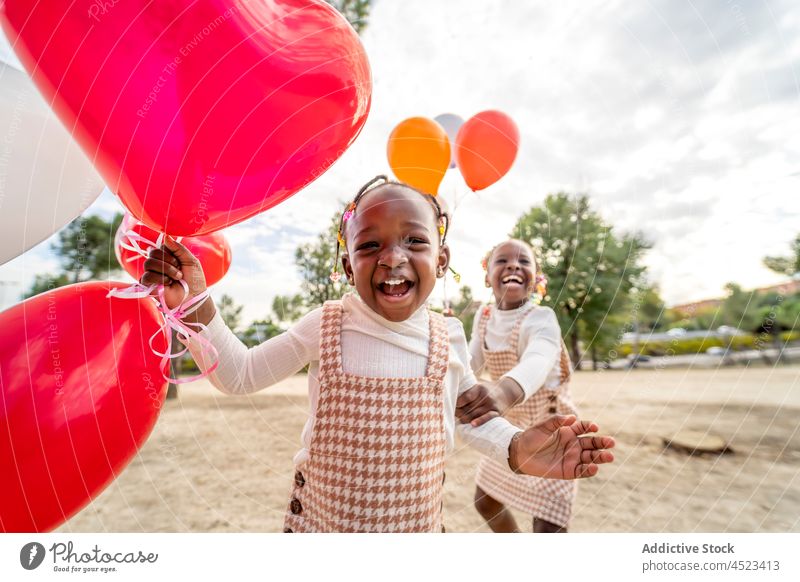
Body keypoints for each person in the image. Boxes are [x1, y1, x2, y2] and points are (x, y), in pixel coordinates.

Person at [141, 176, 614, 533]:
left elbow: (470, 415)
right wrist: (195, 303)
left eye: (415, 240)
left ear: (442, 261)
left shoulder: (446, 334)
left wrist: (514, 446)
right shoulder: (324, 324)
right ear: (349, 266)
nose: (392, 258)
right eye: (371, 245)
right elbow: (240, 374)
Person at [466, 239, 579, 533]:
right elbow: (470, 363)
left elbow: (538, 360)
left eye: (524, 262)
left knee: (548, 525)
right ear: (487, 275)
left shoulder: (542, 318)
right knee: (485, 501)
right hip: (511, 429)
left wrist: (503, 392)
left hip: (552, 430)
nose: (513, 265)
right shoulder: (484, 317)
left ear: (537, 278)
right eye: (501, 260)